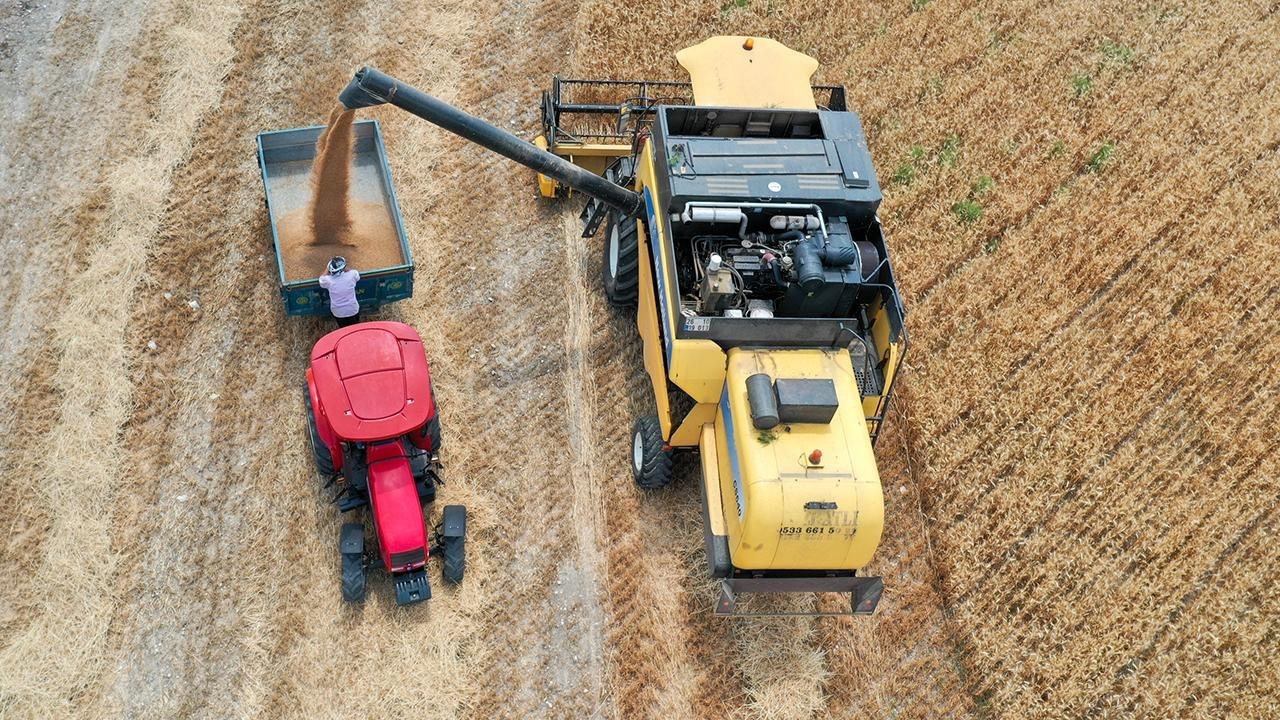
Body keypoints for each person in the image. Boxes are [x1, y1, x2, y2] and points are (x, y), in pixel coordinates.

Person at [318, 256, 361, 327]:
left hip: (338, 312)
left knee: (343, 330)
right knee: (355, 330)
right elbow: (354, 273)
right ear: (344, 267)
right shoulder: (352, 275)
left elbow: (321, 279)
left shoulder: (328, 280)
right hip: (352, 310)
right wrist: (344, 267)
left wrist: (327, 268)